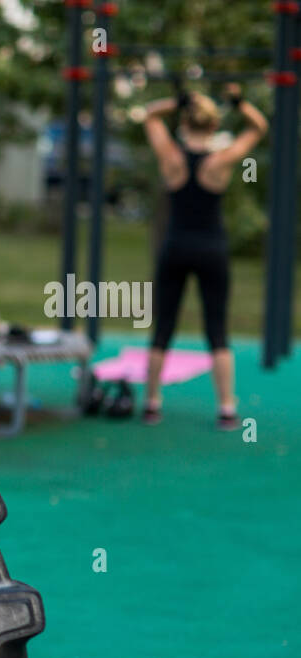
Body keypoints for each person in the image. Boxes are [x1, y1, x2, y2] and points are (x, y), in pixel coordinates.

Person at [135, 84, 267, 428]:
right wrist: (239, 102)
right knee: (217, 330)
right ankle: (226, 409)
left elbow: (148, 115)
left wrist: (174, 102)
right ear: (212, 127)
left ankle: (151, 404)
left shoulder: (170, 156)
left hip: (175, 246)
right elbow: (259, 127)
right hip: (211, 248)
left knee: (163, 327)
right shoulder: (220, 161)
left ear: (184, 123)